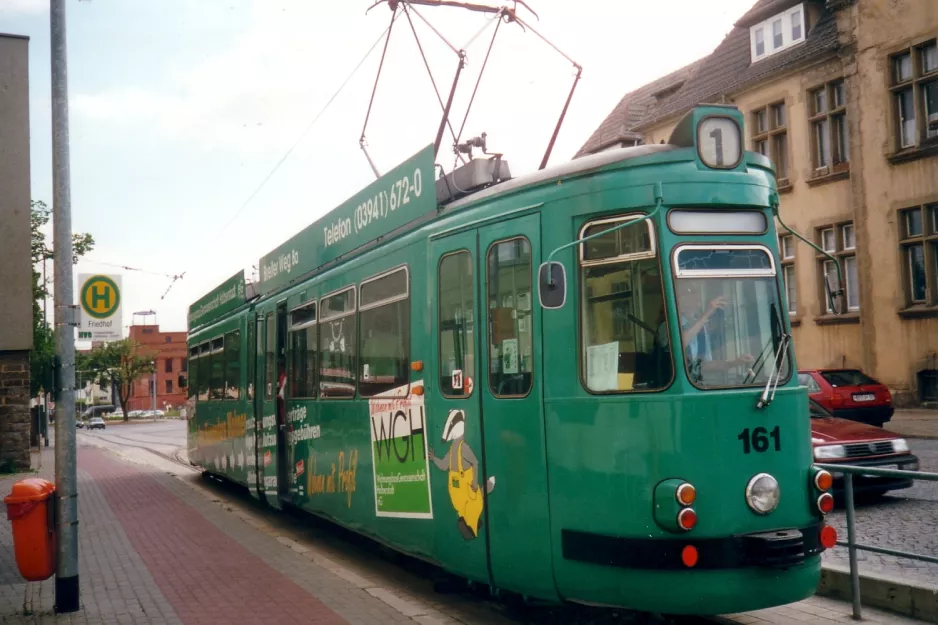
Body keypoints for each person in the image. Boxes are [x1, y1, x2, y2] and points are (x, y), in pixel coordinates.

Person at [674, 281, 754, 381]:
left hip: (695, 385)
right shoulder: (667, 326)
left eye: (696, 292)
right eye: (691, 292)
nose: (696, 296)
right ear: (680, 299)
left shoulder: (701, 328)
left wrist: (734, 363)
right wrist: (707, 314)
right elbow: (678, 344)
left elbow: (706, 365)